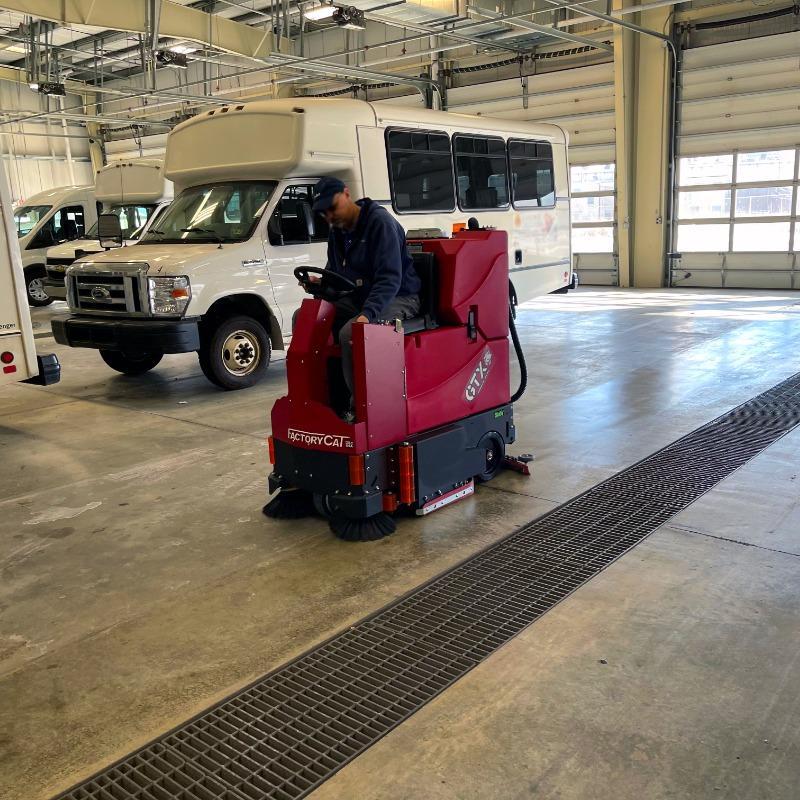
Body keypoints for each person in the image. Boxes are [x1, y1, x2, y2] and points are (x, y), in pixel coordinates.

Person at [304, 177, 421, 421]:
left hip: (399, 296)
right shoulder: (337, 233)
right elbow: (336, 275)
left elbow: (390, 279)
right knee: (308, 320)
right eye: (324, 213)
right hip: (360, 297)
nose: (330, 216)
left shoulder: (380, 224)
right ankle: (324, 402)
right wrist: (320, 287)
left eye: (333, 207)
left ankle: (363, 413)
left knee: (352, 333)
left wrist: (366, 315)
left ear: (346, 194)